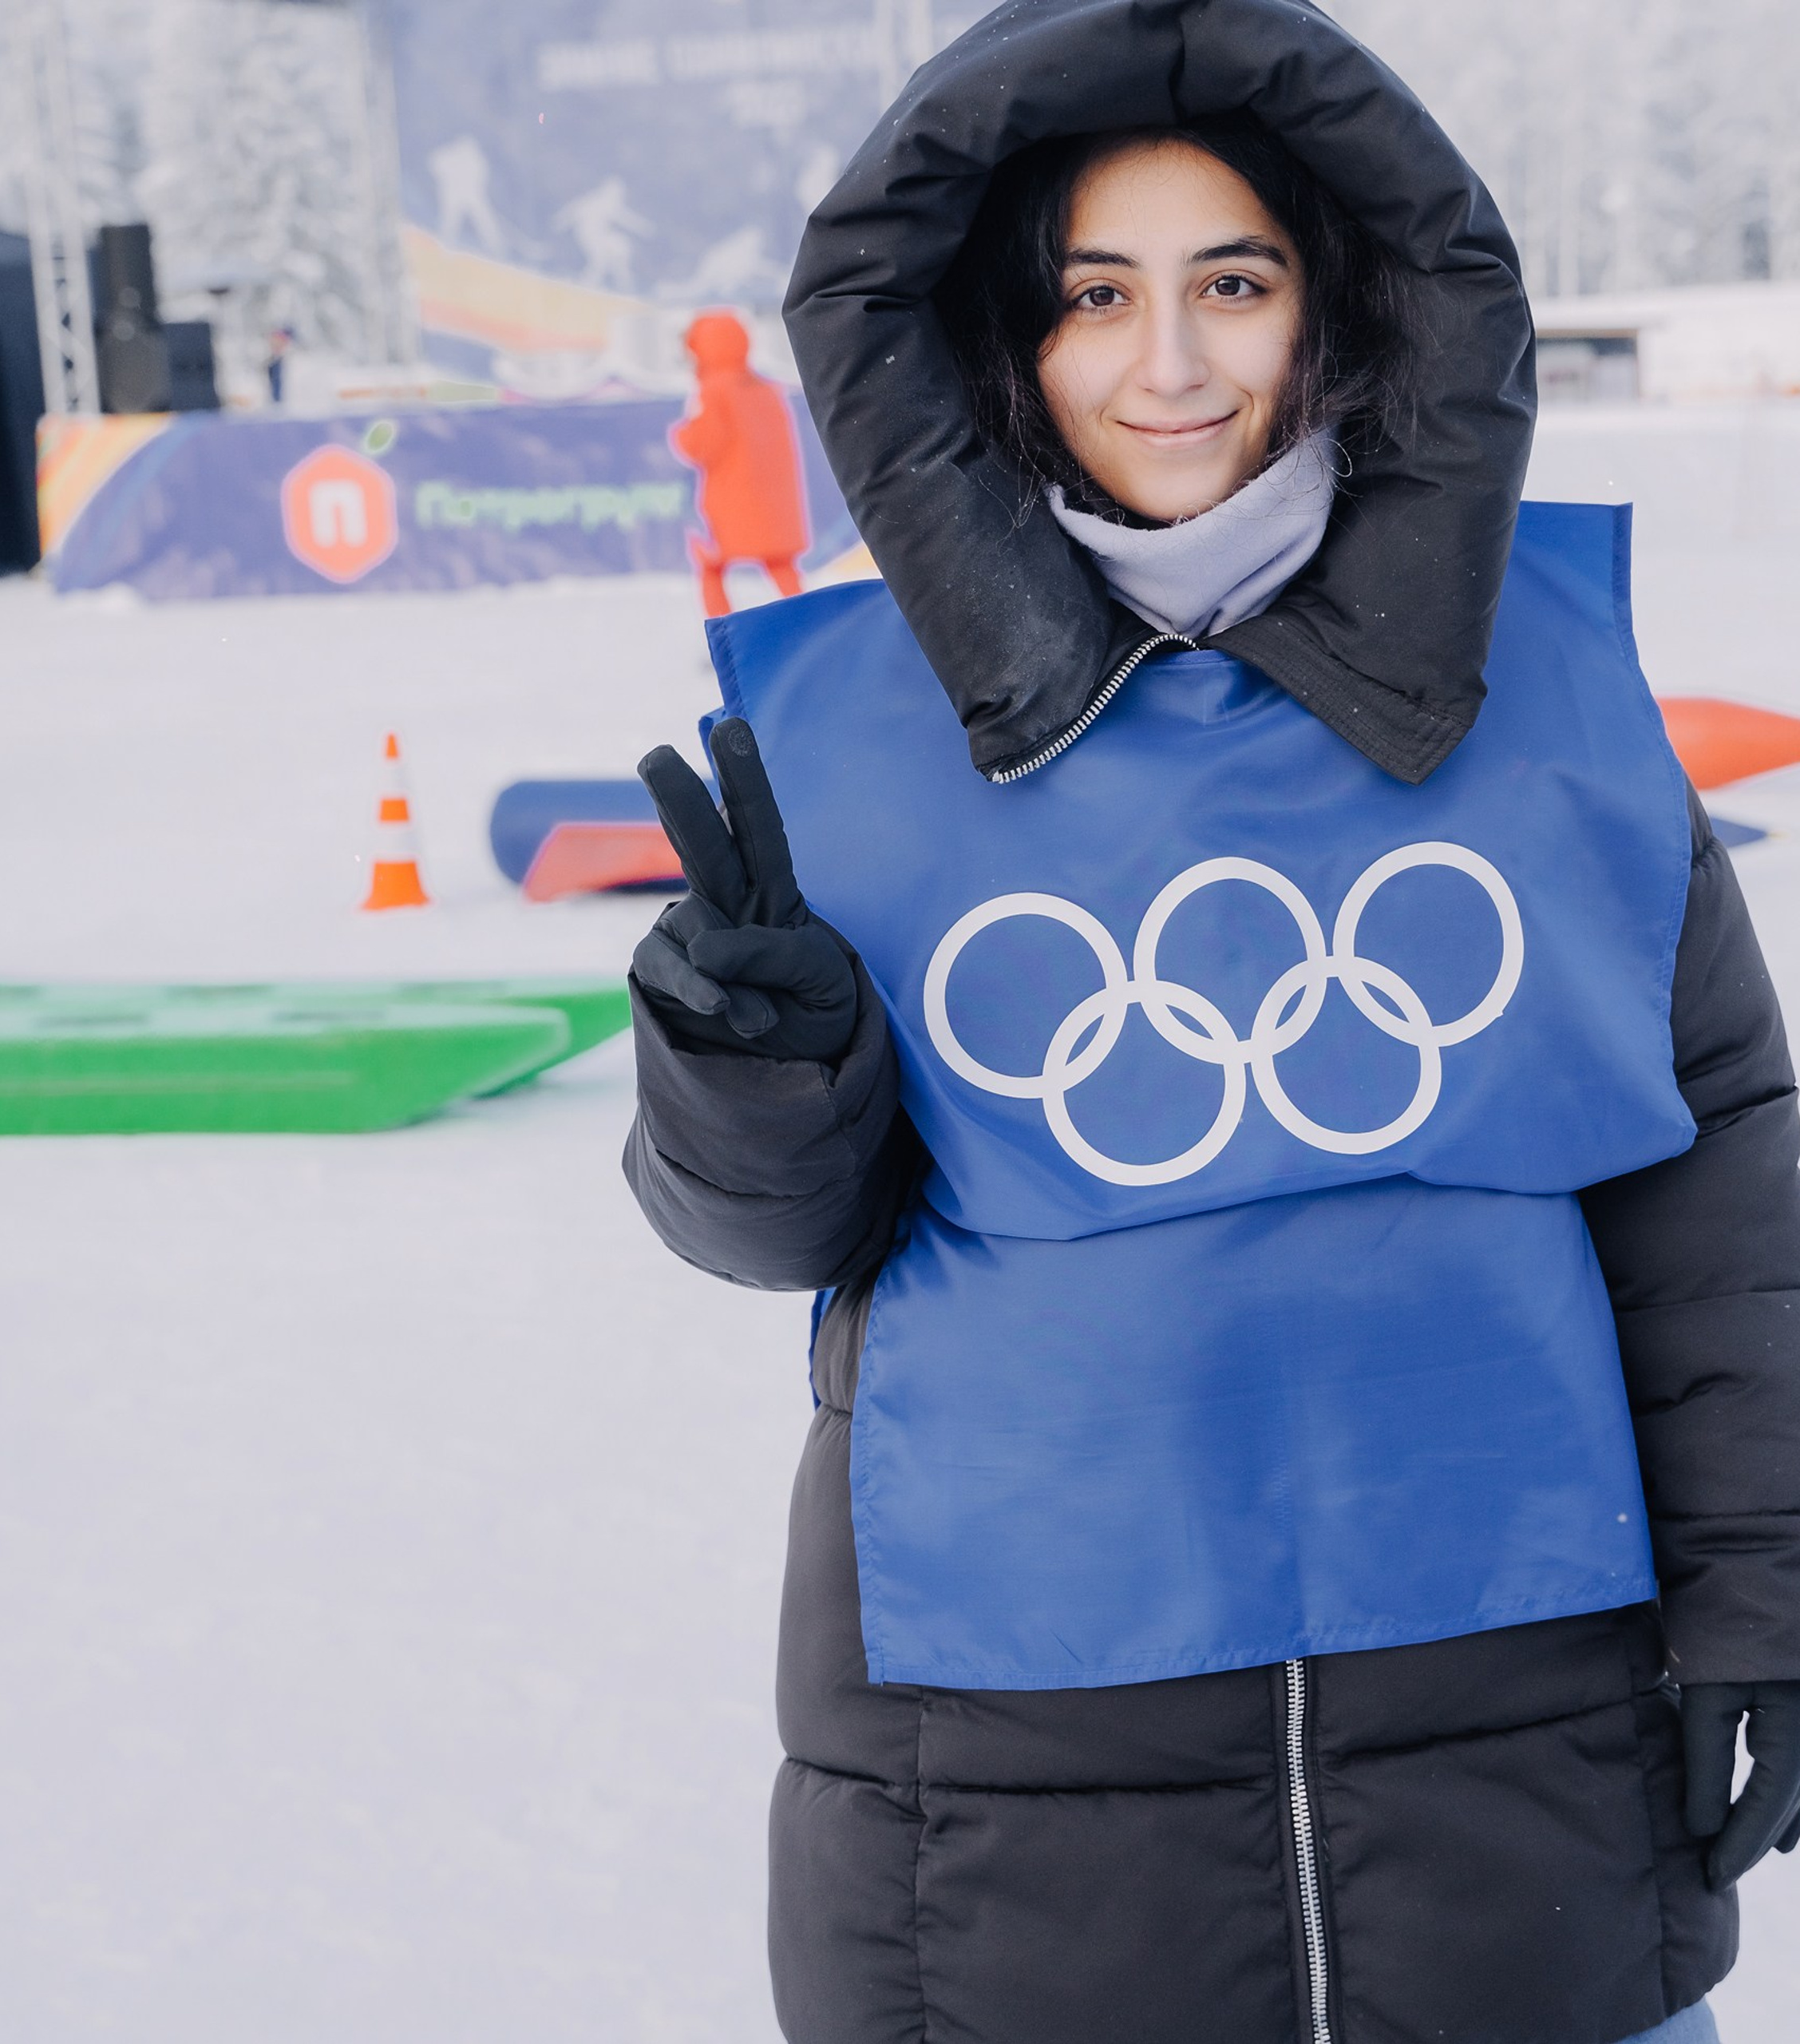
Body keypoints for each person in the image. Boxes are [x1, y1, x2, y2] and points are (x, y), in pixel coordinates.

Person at [622, 4, 1800, 2042]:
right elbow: (770, 1234)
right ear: (999, 328)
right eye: (1096, 295)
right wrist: (750, 1072)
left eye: (1229, 283)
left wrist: (1769, 1592)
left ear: (1331, 303)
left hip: (1510, 1766)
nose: (1167, 363)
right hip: (1016, 1808)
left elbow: (1712, 1169)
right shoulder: (846, 725)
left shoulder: (1545, 690)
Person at [669, 310, 809, 617]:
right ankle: (811, 626)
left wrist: (681, 434)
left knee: (710, 566)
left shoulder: (712, 391)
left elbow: (703, 446)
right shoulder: (766, 389)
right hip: (774, 502)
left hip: (729, 502)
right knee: (781, 566)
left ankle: (724, 638)